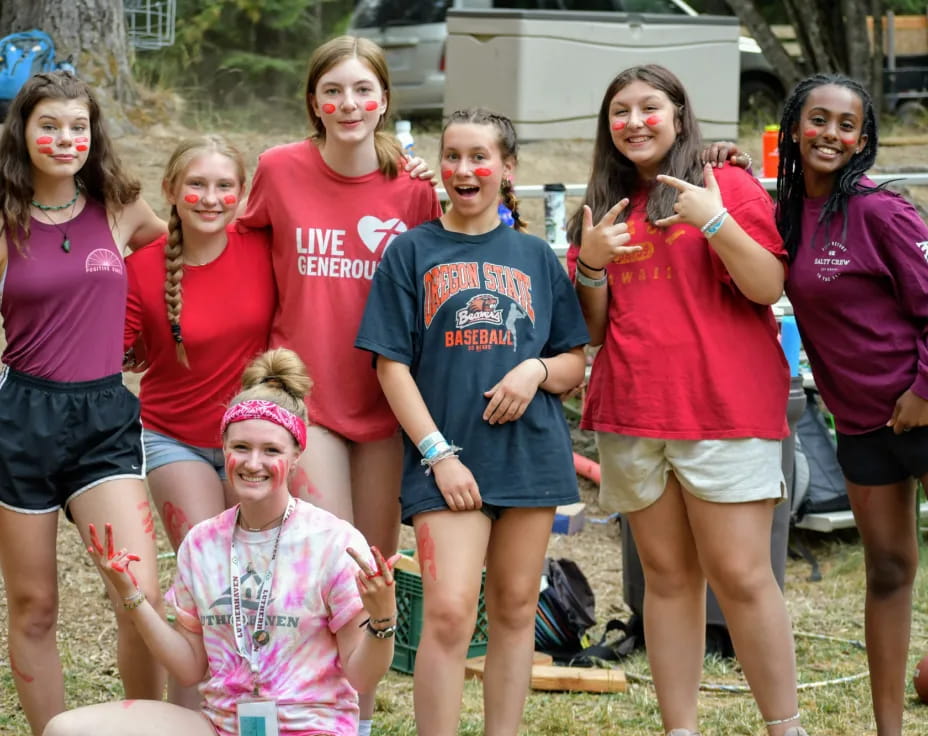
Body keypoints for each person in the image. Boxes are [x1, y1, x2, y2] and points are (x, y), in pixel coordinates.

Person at [565, 64, 806, 736]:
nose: (634, 122)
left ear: (678, 113)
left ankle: (785, 727)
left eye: (649, 107)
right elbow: (590, 329)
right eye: (620, 111)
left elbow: (767, 286)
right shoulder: (605, 201)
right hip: (634, 412)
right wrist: (588, 263)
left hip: (723, 410)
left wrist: (717, 221)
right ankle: (681, 729)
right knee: (668, 582)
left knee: (741, 576)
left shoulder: (720, 181)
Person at [356, 108, 589, 736]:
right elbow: (390, 367)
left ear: (506, 169)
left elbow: (573, 361)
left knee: (514, 611)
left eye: (479, 157)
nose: (464, 169)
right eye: (452, 156)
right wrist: (438, 453)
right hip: (447, 459)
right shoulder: (411, 252)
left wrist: (534, 373)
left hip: (530, 457)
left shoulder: (536, 256)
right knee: (451, 613)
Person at [237, 36, 441, 730]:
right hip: (307, 397)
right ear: (313, 103)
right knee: (328, 549)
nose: (348, 104)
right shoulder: (278, 169)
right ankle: (296, 701)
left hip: (385, 400)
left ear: (384, 101)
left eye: (363, 90)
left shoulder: (414, 189)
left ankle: (350, 708)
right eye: (334, 91)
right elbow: (226, 246)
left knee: (370, 569)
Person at [42, 348, 399, 736]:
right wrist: (131, 595)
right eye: (241, 447)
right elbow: (189, 667)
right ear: (224, 448)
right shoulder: (202, 544)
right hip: (222, 726)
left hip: (312, 727)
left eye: (271, 450)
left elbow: (361, 676)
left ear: (297, 455)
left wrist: (382, 618)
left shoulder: (333, 542)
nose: (253, 463)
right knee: (66, 729)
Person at [0, 71, 167, 734]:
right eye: (49, 125)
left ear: (93, 134)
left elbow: (172, 254)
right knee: (35, 604)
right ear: (24, 133)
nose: (64, 139)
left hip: (104, 416)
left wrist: (147, 330)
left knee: (140, 598)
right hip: (24, 419)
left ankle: (141, 727)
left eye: (78, 126)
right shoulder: (4, 218)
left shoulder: (120, 206)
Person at [776, 73, 928, 736]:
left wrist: (923, 389)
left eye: (846, 125)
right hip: (862, 425)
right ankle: (889, 730)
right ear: (793, 126)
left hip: (923, 405)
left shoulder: (880, 211)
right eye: (818, 119)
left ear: (862, 138)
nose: (830, 134)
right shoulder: (784, 211)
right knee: (889, 569)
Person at [123, 134, 276, 706]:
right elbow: (112, 350)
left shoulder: (263, 246)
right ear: (171, 191)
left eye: (224, 186)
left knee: (264, 581)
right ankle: (190, 719)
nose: (210, 199)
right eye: (196, 185)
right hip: (173, 439)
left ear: (242, 194)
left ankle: (257, 708)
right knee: (209, 579)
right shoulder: (141, 270)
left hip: (255, 441)